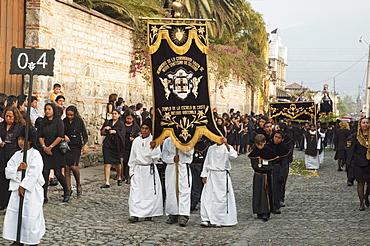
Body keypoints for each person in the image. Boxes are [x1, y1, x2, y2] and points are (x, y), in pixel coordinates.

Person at [2, 129, 45, 245]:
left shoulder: (35, 155)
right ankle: (17, 238)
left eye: (23, 139)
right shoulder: (17, 155)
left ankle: (32, 239)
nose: (20, 142)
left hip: (31, 191)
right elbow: (8, 169)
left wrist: (24, 185)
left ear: (30, 141)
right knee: (16, 214)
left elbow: (34, 172)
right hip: (16, 189)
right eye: (19, 139)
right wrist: (17, 168)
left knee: (30, 215)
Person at [128, 119, 162, 222]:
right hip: (138, 169)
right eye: (142, 128)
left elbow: (157, 157)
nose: (144, 130)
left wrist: (153, 148)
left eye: (146, 128)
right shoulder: (136, 141)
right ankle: (135, 213)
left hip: (149, 170)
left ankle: (149, 213)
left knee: (149, 192)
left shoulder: (154, 140)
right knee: (136, 192)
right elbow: (132, 156)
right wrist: (131, 171)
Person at [200, 137, 238, 227]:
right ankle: (206, 218)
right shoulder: (211, 148)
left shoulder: (227, 147)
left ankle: (219, 219)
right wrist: (204, 174)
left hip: (222, 176)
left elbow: (234, 155)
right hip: (211, 174)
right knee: (207, 197)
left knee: (220, 199)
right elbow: (206, 162)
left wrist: (226, 144)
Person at [38, 103, 69, 203]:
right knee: (45, 172)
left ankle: (67, 190)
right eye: (45, 109)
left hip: (56, 150)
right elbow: (40, 136)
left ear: (53, 110)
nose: (47, 111)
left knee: (58, 173)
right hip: (46, 149)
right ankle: (43, 195)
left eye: (49, 109)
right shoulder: (43, 122)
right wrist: (44, 147)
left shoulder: (58, 122)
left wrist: (51, 147)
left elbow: (60, 136)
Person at [162, 137, 194, 227]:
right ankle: (173, 213)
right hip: (172, 167)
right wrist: (172, 159)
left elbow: (190, 152)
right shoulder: (168, 141)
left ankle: (183, 214)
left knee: (184, 190)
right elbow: (164, 155)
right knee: (171, 190)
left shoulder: (187, 139)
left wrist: (181, 145)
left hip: (183, 166)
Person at [0, 107, 25, 210]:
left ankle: (10, 202)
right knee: (2, 178)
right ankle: (2, 202)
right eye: (6, 116)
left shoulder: (19, 126)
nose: (8, 118)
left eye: (10, 116)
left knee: (12, 178)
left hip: (13, 153)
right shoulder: (1, 126)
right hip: (2, 154)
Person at [248, 134, 277, 221]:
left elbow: (272, 163)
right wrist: (257, 167)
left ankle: (266, 211)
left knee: (265, 193)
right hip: (257, 174)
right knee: (257, 193)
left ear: (264, 142)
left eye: (261, 144)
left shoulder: (269, 152)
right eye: (258, 145)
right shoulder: (254, 152)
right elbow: (253, 163)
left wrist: (266, 168)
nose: (259, 146)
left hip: (266, 175)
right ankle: (258, 211)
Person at [63, 106, 88, 197]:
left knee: (74, 166)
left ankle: (78, 184)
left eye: (71, 115)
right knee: (67, 167)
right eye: (68, 115)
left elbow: (84, 134)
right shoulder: (64, 122)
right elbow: (60, 132)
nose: (69, 117)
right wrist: (64, 136)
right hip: (66, 146)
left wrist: (85, 145)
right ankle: (68, 189)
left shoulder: (79, 121)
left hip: (76, 146)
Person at [347, 118, 370, 211]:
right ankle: (361, 202)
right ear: (360, 125)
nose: (365, 124)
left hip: (369, 162)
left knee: (369, 183)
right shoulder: (356, 136)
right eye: (363, 123)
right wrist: (348, 162)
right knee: (360, 183)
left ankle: (366, 196)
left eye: (367, 123)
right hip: (359, 163)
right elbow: (352, 150)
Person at [100, 109, 125, 188]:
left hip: (116, 145)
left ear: (118, 115)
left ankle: (119, 177)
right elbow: (101, 133)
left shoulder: (121, 124)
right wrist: (105, 129)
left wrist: (116, 132)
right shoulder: (108, 122)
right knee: (107, 163)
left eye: (115, 114)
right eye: (112, 114)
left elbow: (123, 134)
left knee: (117, 163)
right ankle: (107, 182)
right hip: (108, 144)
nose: (114, 115)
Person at [268, 131, 290, 214]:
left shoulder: (284, 149)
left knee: (276, 189)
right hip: (269, 168)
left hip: (278, 168)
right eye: (275, 137)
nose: (276, 139)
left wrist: (282, 174)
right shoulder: (269, 146)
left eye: (278, 138)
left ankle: (276, 206)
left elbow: (284, 163)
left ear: (282, 139)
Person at [190, 135, 211, 212]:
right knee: (194, 185)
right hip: (191, 165)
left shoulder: (205, 144)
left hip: (201, 166)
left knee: (199, 185)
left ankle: (198, 200)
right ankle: (193, 202)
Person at [122, 111, 140, 184]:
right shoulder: (122, 125)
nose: (129, 120)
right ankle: (122, 175)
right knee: (123, 160)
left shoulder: (135, 126)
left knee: (130, 160)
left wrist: (134, 138)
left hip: (131, 145)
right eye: (127, 118)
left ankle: (129, 176)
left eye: (130, 119)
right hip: (123, 144)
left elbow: (139, 134)